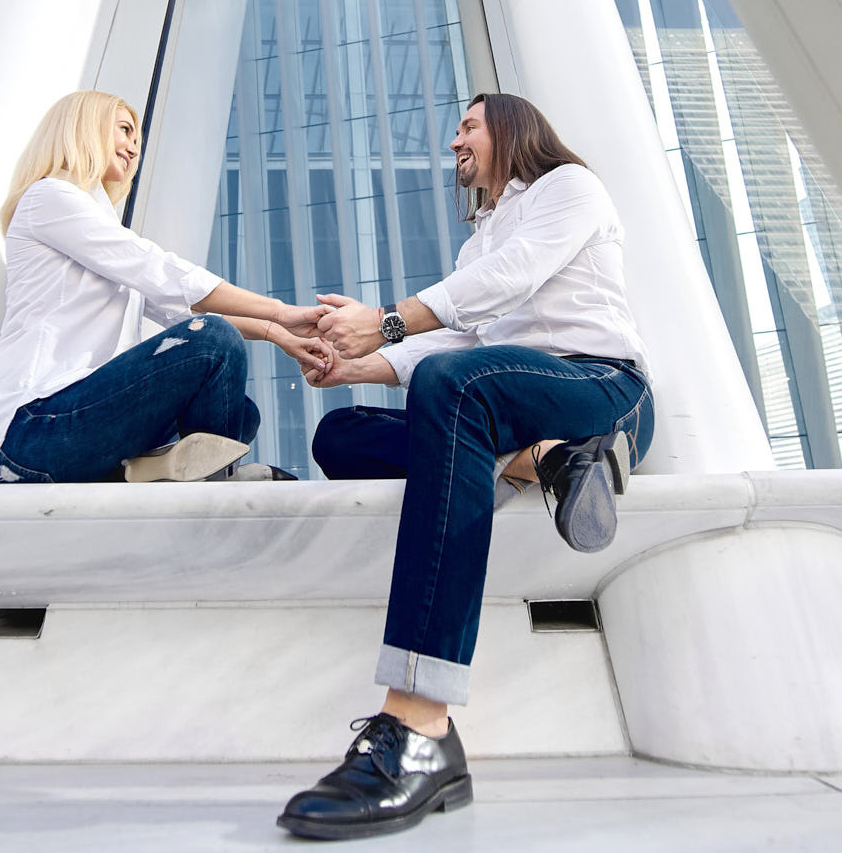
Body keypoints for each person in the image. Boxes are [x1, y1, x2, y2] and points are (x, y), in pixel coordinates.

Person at [276, 92, 654, 841]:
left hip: (597, 384)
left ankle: (421, 726)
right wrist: (355, 366)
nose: (455, 142)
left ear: (511, 129)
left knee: (455, 388)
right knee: (341, 435)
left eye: (468, 126)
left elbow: (513, 277)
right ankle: (546, 461)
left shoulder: (569, 188)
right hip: (510, 401)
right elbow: (459, 340)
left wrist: (387, 320)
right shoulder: (478, 242)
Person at [0, 90, 331, 486]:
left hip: (73, 427)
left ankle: (155, 472)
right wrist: (280, 310)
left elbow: (179, 308)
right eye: (125, 130)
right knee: (212, 340)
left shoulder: (95, 228)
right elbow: (159, 271)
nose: (133, 148)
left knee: (240, 411)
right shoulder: (49, 197)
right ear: (84, 126)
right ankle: (209, 483)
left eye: (137, 141)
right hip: (33, 430)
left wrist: (280, 333)